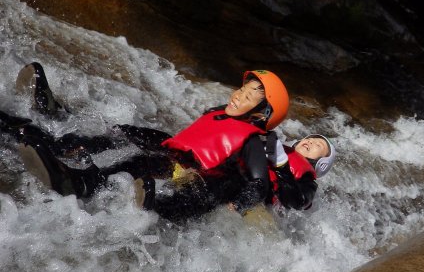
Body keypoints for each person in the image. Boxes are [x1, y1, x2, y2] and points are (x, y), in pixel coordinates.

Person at [2, 62, 290, 221]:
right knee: (123, 132)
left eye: (250, 97)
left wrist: (237, 205)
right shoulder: (218, 113)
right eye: (243, 88)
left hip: (184, 169)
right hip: (173, 149)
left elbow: (258, 183)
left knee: (139, 162)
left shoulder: (252, 140)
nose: (239, 95)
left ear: (259, 114)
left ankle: (79, 183)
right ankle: (56, 126)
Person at [264, 132, 336, 210]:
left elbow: (299, 203)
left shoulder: (308, 181)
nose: (310, 141)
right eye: (309, 139)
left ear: (322, 164)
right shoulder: (277, 150)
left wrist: (282, 167)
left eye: (318, 145)